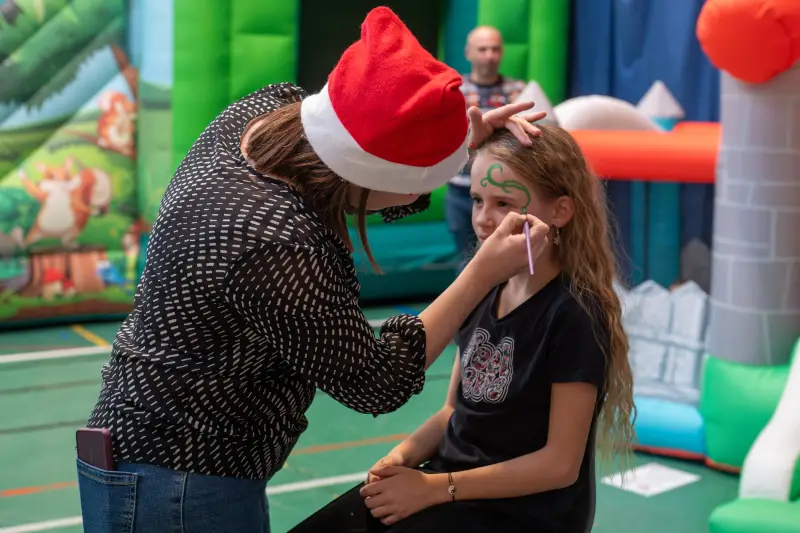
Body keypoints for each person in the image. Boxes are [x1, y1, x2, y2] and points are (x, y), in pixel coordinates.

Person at [75, 7, 549, 533]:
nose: (421, 196)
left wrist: (453, 139)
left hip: (160, 456)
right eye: (422, 183)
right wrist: (479, 275)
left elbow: (365, 143)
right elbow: (377, 380)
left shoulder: (268, 112)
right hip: (177, 477)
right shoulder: (278, 244)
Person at [358, 124, 637, 532]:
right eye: (476, 200)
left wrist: (435, 488)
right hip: (454, 485)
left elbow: (559, 465)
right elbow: (454, 411)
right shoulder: (484, 288)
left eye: (504, 203)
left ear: (560, 211)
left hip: (521, 511)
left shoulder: (573, 314)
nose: (484, 220)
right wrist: (400, 457)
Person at [446, 26, 527, 274]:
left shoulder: (518, 91)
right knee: (466, 259)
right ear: (469, 53)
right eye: (483, 49)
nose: (490, 55)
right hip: (461, 189)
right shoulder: (453, 91)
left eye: (495, 49)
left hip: (503, 189)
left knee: (504, 256)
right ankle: (470, 312)